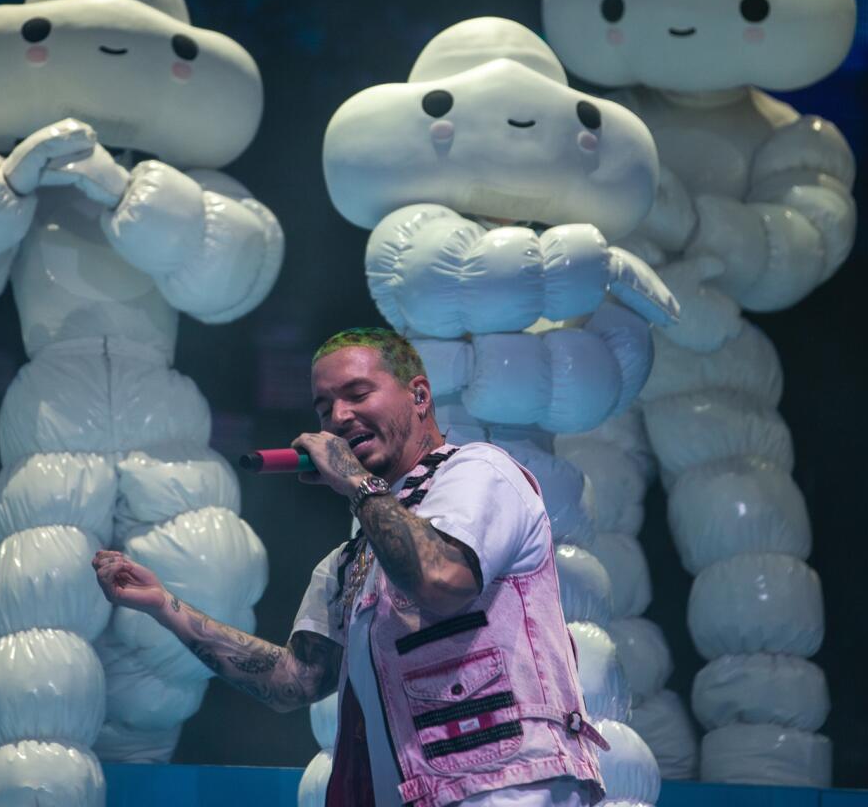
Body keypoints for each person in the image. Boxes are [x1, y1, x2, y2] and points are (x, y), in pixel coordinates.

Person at [94, 327, 608, 806]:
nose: (338, 418)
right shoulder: (353, 560)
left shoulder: (479, 471)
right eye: (324, 407)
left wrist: (356, 482)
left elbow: (443, 578)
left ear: (419, 396)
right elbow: (291, 681)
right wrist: (164, 605)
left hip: (509, 788)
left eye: (358, 395)